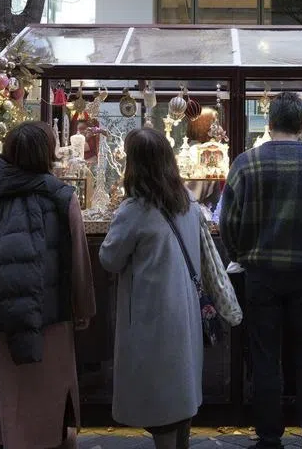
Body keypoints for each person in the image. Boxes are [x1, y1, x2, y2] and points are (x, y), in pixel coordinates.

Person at [0, 121, 96, 449]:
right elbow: (78, 259)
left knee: (5, 393)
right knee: (45, 393)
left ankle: (6, 439)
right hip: (47, 314)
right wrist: (84, 307)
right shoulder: (62, 196)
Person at [220, 91, 302, 449]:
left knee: (265, 357)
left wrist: (243, 253)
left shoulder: (245, 163)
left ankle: (269, 437)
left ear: (269, 123)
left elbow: (228, 222)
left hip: (261, 274)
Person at [99, 127, 203, 449]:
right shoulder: (187, 203)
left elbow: (109, 259)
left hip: (151, 313)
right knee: (180, 388)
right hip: (185, 310)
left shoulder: (134, 210)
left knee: (159, 398)